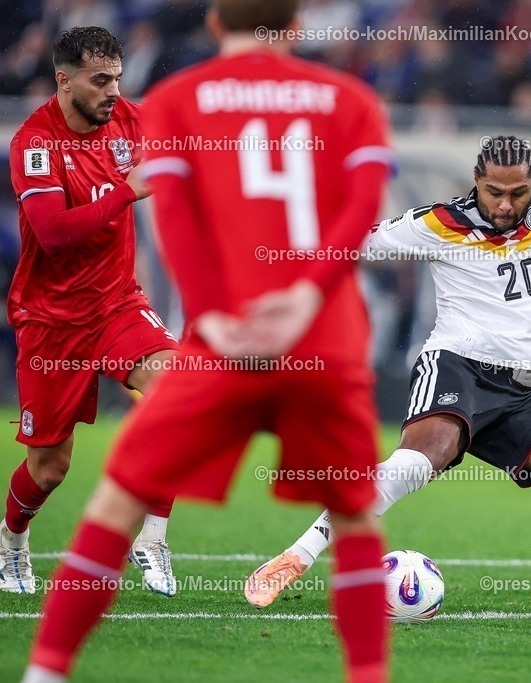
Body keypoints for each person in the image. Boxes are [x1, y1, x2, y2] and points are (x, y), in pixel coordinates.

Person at [20, 0, 393, 681]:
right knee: (356, 518)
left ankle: (47, 668)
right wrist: (309, 296)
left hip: (222, 340)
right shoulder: (352, 99)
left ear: (217, 26)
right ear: (297, 30)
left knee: (113, 499)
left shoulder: (175, 100)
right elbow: (361, 206)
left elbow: (179, 221)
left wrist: (216, 316)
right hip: (325, 341)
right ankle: (368, 674)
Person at [245, 43, 531, 630]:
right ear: (476, 181)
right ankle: (298, 555)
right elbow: (355, 246)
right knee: (423, 458)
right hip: (456, 368)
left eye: (517, 192)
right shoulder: (439, 224)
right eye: (494, 191)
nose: (504, 204)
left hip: (520, 388)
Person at [2, 25, 179, 597]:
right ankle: (11, 542)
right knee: (50, 468)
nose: (112, 92)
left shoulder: (130, 117)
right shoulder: (34, 142)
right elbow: (52, 233)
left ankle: (151, 536)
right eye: (99, 81)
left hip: (116, 304)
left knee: (182, 394)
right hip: (51, 321)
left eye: (117, 80)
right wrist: (126, 189)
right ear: (63, 80)